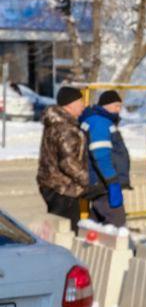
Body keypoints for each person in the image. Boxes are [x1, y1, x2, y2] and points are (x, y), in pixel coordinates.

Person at [37, 86, 88, 231]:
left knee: (56, 228)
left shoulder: (55, 123)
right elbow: (68, 162)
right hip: (63, 188)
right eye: (80, 101)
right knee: (65, 232)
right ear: (70, 104)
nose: (83, 105)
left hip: (52, 184)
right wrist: (87, 180)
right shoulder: (66, 128)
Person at [79, 89, 131, 228]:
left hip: (100, 182)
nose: (119, 110)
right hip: (103, 183)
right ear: (105, 105)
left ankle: (89, 247)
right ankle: (119, 249)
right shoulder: (100, 122)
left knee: (96, 223)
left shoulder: (98, 120)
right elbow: (100, 154)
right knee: (116, 222)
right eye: (116, 106)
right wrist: (112, 181)